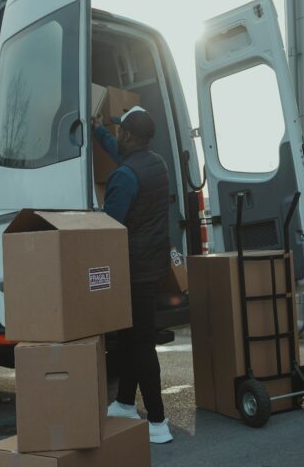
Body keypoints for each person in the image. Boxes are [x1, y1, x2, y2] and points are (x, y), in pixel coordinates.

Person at [93, 106, 173, 445]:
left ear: (128, 135)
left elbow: (110, 227)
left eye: (120, 131)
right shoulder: (156, 163)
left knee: (140, 343)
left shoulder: (125, 176)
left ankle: (158, 421)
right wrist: (99, 131)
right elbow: (123, 155)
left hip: (133, 270)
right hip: (153, 265)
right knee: (128, 338)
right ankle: (125, 403)